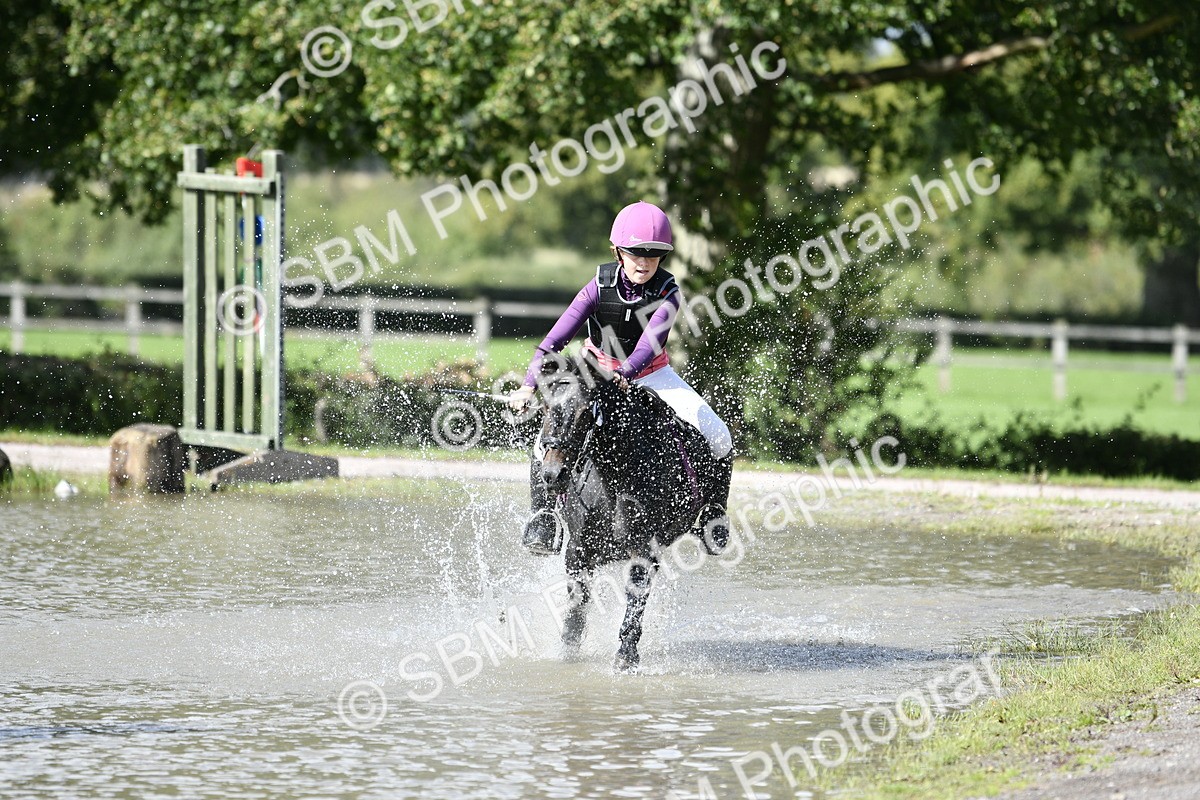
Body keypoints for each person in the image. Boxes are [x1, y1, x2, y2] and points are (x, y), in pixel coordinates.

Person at [509, 201, 734, 557]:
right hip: (593, 371)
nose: (643, 262)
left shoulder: (668, 293)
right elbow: (557, 337)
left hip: (651, 374)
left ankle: (712, 514)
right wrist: (528, 384)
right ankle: (545, 516)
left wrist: (625, 374)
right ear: (617, 251)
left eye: (653, 254)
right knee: (547, 440)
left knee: (718, 433)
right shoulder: (597, 287)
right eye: (635, 253)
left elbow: (650, 342)